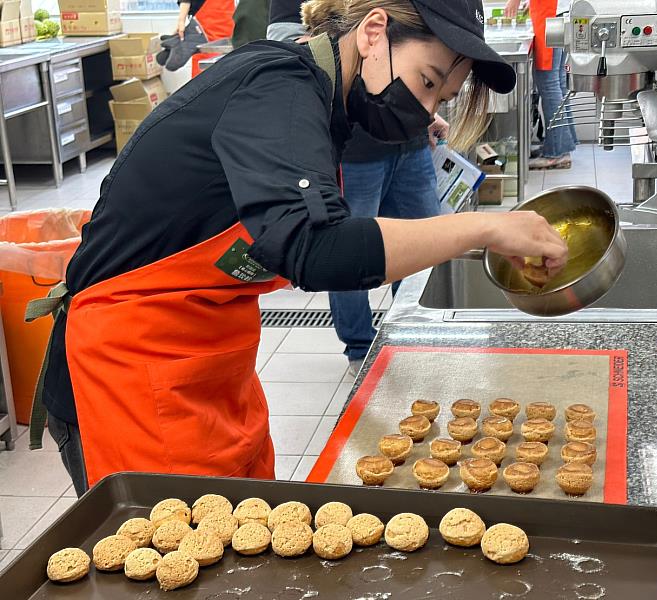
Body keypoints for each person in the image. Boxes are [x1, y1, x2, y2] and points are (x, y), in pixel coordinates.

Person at [31, 0, 568, 496]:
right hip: (129, 370)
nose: (424, 109)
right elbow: (315, 249)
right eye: (425, 82)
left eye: (437, 99)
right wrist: (482, 229)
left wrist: (412, 112)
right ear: (374, 32)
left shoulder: (318, 103)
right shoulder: (278, 88)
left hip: (207, 366)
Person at [261, 0, 450, 374]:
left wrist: (420, 102)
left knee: (426, 244)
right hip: (355, 149)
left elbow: (407, 47)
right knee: (348, 250)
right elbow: (284, 36)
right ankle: (360, 348)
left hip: (408, 144)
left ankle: (412, 337)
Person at [506, 0, 577, 169]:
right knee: (557, 83)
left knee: (549, 83)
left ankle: (556, 153)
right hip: (560, 14)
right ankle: (562, 146)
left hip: (551, 16)